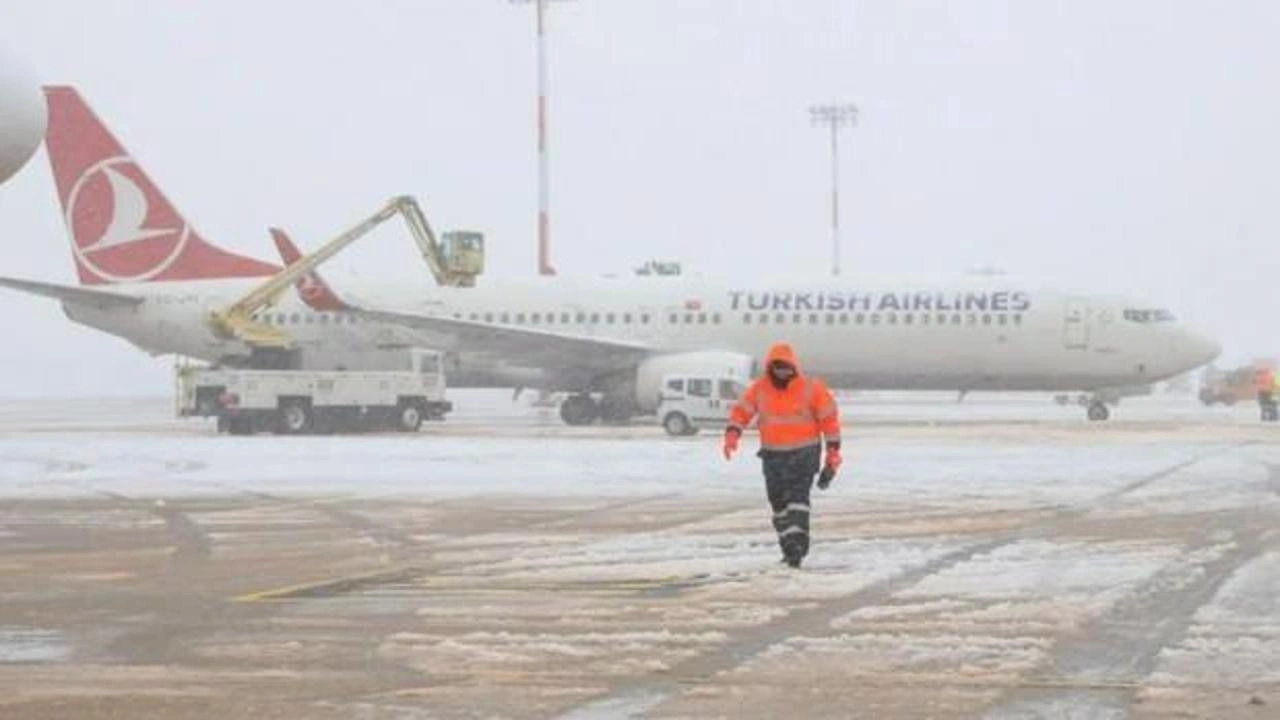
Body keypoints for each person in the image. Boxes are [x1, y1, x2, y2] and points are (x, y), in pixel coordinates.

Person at [722, 342, 842, 568]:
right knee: (778, 505)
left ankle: (798, 545)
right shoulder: (759, 389)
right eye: (778, 369)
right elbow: (742, 411)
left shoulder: (811, 389)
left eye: (786, 368)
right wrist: (732, 433)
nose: (782, 373)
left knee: (797, 501)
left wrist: (833, 453)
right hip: (773, 457)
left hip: (803, 455)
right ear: (771, 369)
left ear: (794, 367)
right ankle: (788, 546)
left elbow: (830, 422)